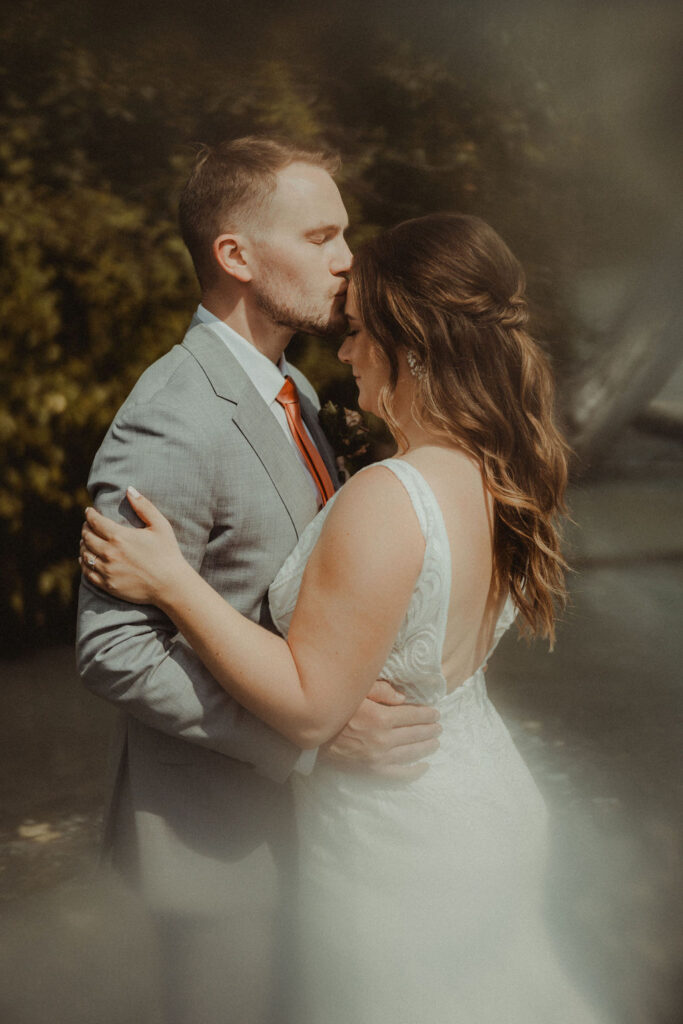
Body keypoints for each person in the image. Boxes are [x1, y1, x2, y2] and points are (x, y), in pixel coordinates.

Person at [81, 212, 608, 1023]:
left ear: (414, 350)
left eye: (361, 333)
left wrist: (174, 584)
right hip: (478, 797)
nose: (345, 348)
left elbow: (313, 705)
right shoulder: (496, 469)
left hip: (401, 840)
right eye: (320, 235)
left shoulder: (389, 494)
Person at [75, 137, 441, 1024]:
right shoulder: (169, 416)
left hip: (320, 842)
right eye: (320, 237)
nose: (347, 261)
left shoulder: (298, 395)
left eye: (343, 234)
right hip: (220, 850)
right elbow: (111, 647)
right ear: (235, 256)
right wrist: (308, 739)